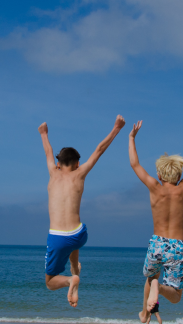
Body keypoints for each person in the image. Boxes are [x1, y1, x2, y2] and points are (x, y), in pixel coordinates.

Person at [39, 115, 126, 307]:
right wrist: (116, 128)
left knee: (50, 281)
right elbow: (99, 150)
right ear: (77, 163)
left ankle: (71, 280)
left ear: (59, 164)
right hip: (79, 234)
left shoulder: (53, 173)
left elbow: (48, 151)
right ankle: (74, 270)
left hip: (58, 236)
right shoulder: (80, 174)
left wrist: (44, 133)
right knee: (74, 241)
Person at [129, 119, 183, 324]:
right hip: (177, 245)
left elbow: (134, 164)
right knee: (177, 295)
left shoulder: (155, 187)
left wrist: (131, 138)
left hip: (157, 244)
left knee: (151, 276)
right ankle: (160, 288)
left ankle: (144, 313)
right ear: (179, 174)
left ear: (159, 174)